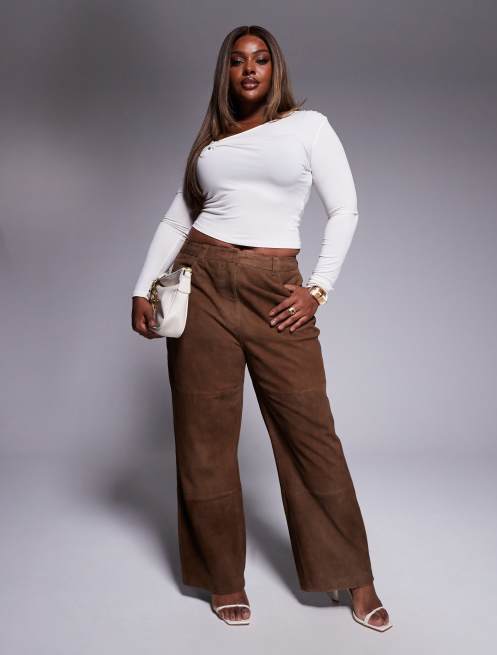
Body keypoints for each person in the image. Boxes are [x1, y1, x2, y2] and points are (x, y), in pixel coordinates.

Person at [131, 25, 392, 631]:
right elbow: (178, 220)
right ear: (225, 73)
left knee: (311, 435)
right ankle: (223, 576)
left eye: (261, 59)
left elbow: (345, 209)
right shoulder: (212, 144)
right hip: (202, 280)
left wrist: (317, 289)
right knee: (204, 436)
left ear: (275, 70)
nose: (249, 69)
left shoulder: (308, 127)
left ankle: (355, 578)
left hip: (276, 287)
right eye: (237, 60)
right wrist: (140, 287)